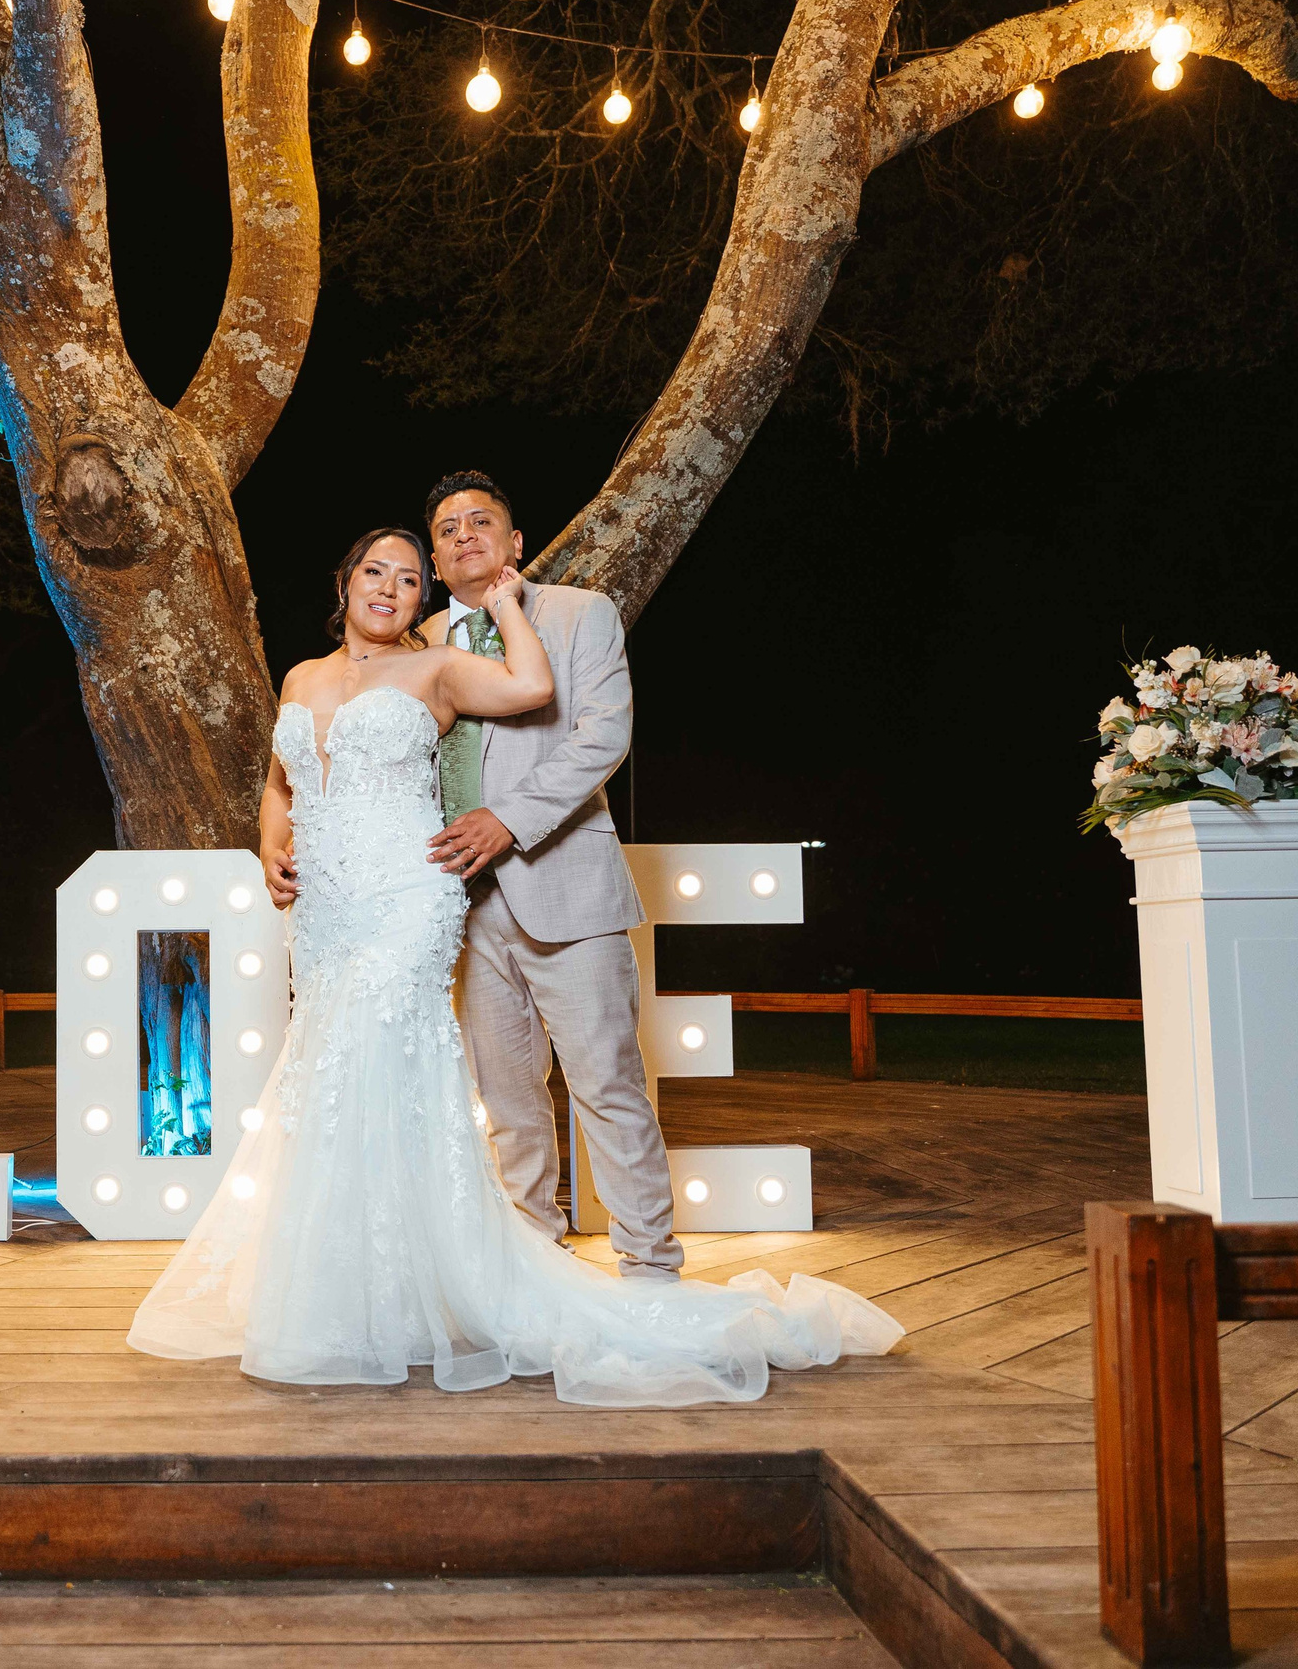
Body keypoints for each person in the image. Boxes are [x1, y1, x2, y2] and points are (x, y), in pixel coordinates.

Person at [126, 526, 900, 1404]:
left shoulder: (436, 671)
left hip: (407, 900)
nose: (390, 588)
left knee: (391, 1064)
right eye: (375, 573)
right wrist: (271, 848)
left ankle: (535, 1279)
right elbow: (280, 783)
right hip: (328, 914)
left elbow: (533, 686)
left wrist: (502, 603)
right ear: (342, 584)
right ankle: (353, 1293)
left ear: (422, 602)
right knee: (332, 1085)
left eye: (410, 580)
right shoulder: (300, 679)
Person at [420, 471, 677, 1278]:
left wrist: (509, 820)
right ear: (432, 558)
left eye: (482, 521)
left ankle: (649, 1267)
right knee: (507, 1102)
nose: (466, 534)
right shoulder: (421, 644)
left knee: (608, 1082)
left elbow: (603, 737)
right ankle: (533, 1265)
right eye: (449, 528)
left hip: (565, 885)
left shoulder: (578, 614)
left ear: (514, 542)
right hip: (462, 903)